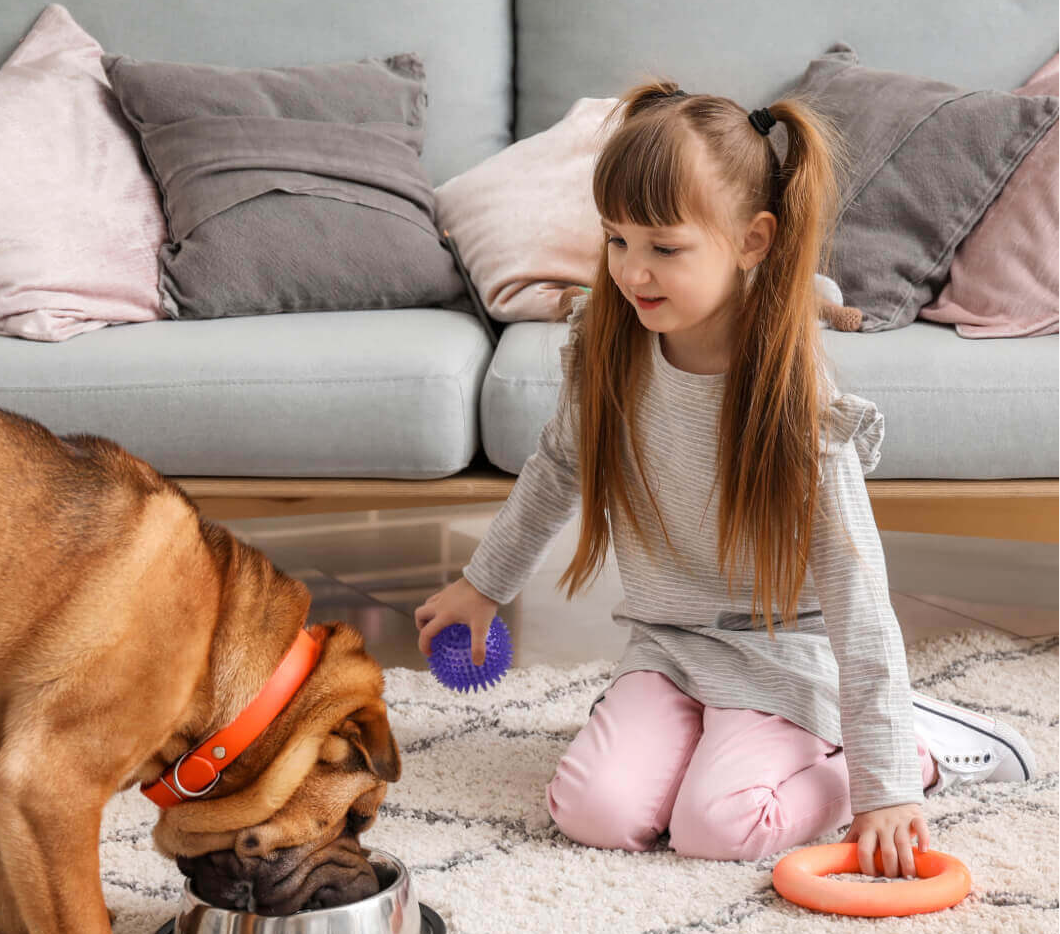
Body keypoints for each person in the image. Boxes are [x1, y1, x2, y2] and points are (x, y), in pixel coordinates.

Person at [414, 81, 1035, 878]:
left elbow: (856, 592)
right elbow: (559, 467)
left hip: (783, 653)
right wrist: (483, 584)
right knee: (592, 812)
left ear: (751, 240)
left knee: (720, 824)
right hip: (669, 644)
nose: (632, 273)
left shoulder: (795, 400)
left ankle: (917, 748)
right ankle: (710, 736)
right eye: (616, 241)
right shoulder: (608, 348)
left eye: (663, 248)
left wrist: (882, 789)